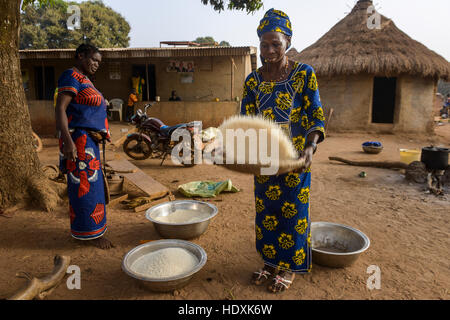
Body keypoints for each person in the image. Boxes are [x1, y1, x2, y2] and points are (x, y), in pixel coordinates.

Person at [240, 9, 325, 293]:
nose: (270, 50)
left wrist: (311, 147)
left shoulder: (304, 75)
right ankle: (268, 262)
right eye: (264, 44)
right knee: (266, 215)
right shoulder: (253, 81)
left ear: (287, 40)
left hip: (296, 160)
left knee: (293, 214)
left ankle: (287, 267)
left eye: (275, 43)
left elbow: (315, 116)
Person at [55, 43, 113, 250]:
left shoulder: (86, 80)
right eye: (93, 59)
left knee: (93, 188)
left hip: (89, 143)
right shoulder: (71, 75)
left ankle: (94, 229)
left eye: (99, 62)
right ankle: (89, 234)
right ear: (80, 56)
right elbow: (60, 108)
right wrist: (68, 141)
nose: (96, 64)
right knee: (84, 189)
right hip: (78, 142)